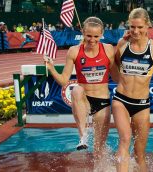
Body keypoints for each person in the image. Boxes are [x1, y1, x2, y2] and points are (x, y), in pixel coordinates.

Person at [45, 16, 116, 166]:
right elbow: (65, 80)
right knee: (76, 89)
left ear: (102, 34)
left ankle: (101, 168)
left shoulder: (108, 49)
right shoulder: (74, 51)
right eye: (88, 36)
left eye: (96, 36)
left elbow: (116, 76)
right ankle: (83, 136)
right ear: (83, 32)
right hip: (83, 100)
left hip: (102, 102)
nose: (92, 40)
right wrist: (51, 68)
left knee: (99, 149)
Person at [112, 7, 153, 172]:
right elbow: (114, 64)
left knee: (139, 154)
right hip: (121, 100)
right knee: (125, 139)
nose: (135, 31)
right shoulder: (122, 44)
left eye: (140, 27)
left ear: (148, 25)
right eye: (132, 27)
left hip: (142, 104)